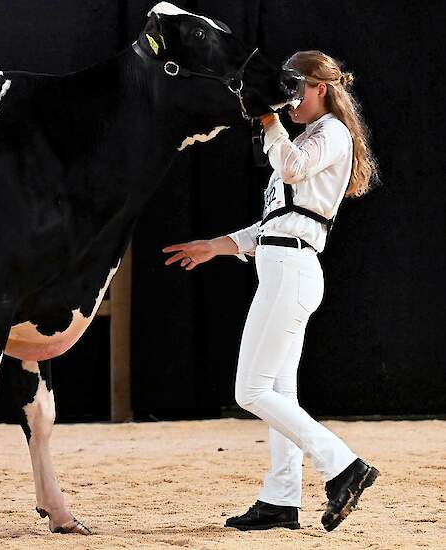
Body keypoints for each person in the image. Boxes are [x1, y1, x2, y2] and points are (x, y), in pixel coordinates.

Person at [161, 51, 380, 532]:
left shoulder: (330, 134)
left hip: (293, 270)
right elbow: (272, 225)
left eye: (296, 87)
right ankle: (281, 499)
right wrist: (215, 245)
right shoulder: (303, 138)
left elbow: (292, 170)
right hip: (283, 265)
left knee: (251, 390)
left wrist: (267, 120)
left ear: (321, 87)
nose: (289, 98)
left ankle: (344, 465)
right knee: (280, 391)